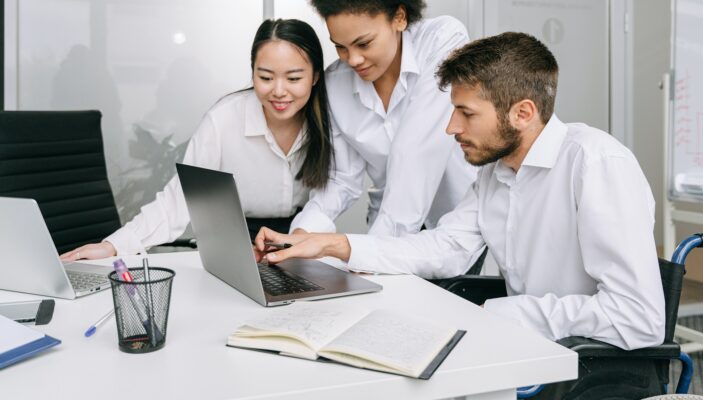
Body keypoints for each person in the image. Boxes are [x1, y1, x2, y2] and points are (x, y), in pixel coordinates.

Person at [255, 32, 666, 351]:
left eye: (466, 113)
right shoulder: (496, 172)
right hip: (523, 345)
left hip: (581, 364)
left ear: (523, 113)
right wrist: (333, 245)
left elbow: (637, 317)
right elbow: (446, 246)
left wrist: (500, 313)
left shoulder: (595, 164)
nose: (451, 127)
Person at [60, 19, 334, 261]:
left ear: (315, 78)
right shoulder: (223, 120)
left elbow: (334, 195)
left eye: (294, 78)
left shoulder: (330, 122)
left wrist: (305, 241)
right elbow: (177, 200)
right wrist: (113, 246)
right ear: (252, 73)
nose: (279, 91)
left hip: (304, 243)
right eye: (265, 77)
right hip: (237, 246)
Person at [288, 0, 477, 237]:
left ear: (399, 17)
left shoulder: (441, 40)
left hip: (455, 223)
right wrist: (302, 232)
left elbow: (417, 150)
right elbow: (341, 179)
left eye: (364, 44)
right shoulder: (335, 83)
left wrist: (375, 251)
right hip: (383, 222)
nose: (353, 59)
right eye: (341, 47)